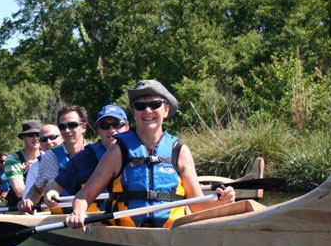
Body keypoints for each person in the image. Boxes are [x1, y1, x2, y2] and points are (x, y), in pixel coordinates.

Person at [66, 80, 235, 230]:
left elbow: (197, 205)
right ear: (134, 112)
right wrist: (78, 212)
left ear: (166, 110)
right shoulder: (118, 151)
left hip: (172, 232)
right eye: (140, 106)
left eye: (155, 105)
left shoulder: (180, 151)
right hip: (127, 234)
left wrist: (222, 202)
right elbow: (84, 195)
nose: (147, 111)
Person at [44, 104, 130, 210]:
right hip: (97, 223)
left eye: (117, 124)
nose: (111, 130)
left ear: (127, 126)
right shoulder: (85, 158)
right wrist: (51, 192)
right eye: (104, 126)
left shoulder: (142, 152)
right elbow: (53, 185)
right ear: (99, 130)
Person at [19, 105, 88, 212]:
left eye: (72, 125)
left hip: (93, 218)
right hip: (60, 221)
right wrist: (28, 201)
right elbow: (37, 190)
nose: (67, 130)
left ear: (83, 127)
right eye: (62, 127)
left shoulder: (95, 153)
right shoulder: (49, 157)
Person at [4, 120, 42, 206]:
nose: (35, 138)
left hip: (44, 208)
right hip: (18, 209)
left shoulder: (47, 156)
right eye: (30, 135)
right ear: (23, 137)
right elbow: (20, 191)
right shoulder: (13, 159)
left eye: (38, 135)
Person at [22, 124, 62, 199]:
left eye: (52, 137)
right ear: (40, 143)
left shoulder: (79, 156)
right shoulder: (35, 167)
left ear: (62, 137)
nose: (49, 142)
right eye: (44, 139)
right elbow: (27, 199)